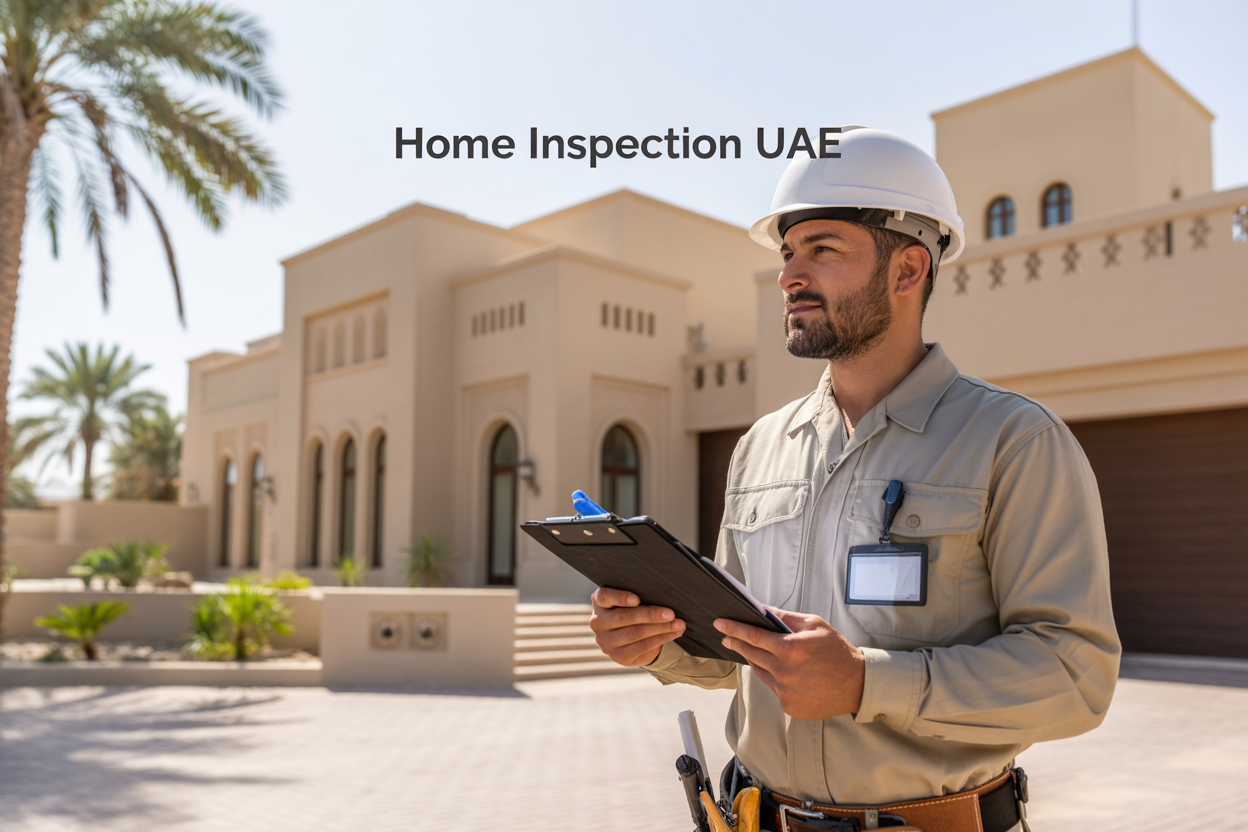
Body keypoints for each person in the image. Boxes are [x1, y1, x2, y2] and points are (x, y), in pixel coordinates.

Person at [588, 127, 1120, 832]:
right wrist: (656, 641)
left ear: (908, 270)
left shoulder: (1013, 442)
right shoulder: (760, 448)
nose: (788, 275)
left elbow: (1076, 678)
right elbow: (735, 654)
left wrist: (870, 683)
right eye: (787, 252)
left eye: (823, 248)